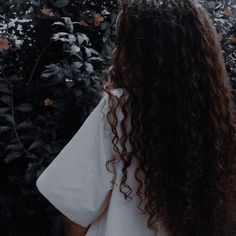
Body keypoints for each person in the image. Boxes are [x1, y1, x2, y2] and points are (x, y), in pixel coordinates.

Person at [36, 0, 236, 235]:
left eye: (125, 44)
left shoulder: (120, 108)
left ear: (151, 55)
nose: (117, 54)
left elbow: (74, 213)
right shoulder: (215, 119)